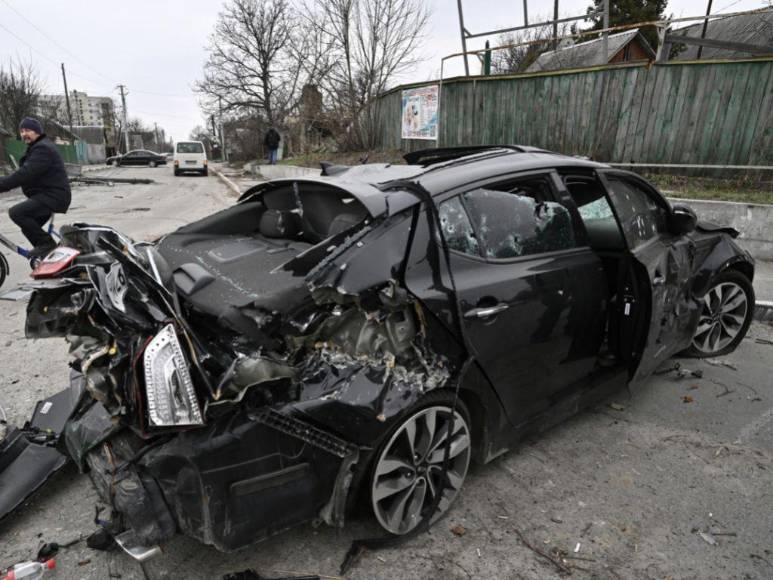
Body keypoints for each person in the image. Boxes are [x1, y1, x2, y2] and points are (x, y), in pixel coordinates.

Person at [0, 117, 71, 258]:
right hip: (48, 195)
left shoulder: (43, 149)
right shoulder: (36, 148)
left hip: (53, 196)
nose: (24, 134)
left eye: (28, 130)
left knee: (17, 213)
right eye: (21, 131)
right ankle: (49, 258)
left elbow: (25, 174)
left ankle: (47, 245)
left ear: (37, 132)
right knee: (28, 227)